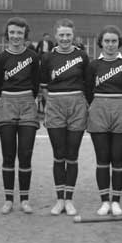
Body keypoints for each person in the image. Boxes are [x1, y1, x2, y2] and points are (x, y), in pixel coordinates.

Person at [39, 18, 92, 216]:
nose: (64, 38)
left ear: (73, 35)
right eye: (61, 35)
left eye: (68, 35)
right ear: (55, 36)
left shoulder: (82, 56)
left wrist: (83, 105)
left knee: (72, 154)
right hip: (55, 104)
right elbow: (43, 86)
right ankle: (59, 199)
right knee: (58, 154)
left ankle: (69, 199)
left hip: (77, 104)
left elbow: (88, 84)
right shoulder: (47, 58)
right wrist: (51, 104)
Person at [0, 17, 42, 214]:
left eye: (19, 33)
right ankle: (8, 200)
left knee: (25, 155)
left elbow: (36, 83)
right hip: (7, 103)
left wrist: (26, 97)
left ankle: (24, 199)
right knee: (8, 155)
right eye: (12, 32)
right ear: (7, 34)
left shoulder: (33, 57)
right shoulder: (2, 58)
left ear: (25, 36)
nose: (15, 36)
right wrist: (8, 99)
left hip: (27, 104)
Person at [87, 25, 122, 216]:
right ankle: (104, 201)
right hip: (99, 110)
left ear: (119, 43)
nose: (110, 45)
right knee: (102, 160)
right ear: (101, 42)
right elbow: (88, 90)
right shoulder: (93, 65)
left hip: (120, 111)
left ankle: (115, 201)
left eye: (113, 41)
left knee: (118, 159)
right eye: (106, 41)